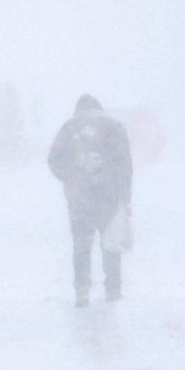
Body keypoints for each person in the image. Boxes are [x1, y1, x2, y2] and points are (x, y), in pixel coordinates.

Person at [46, 94, 133, 306]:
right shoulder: (113, 126)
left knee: (81, 244)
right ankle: (113, 289)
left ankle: (82, 291)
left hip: (79, 196)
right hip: (109, 194)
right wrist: (124, 195)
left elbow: (54, 159)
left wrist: (70, 177)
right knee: (110, 242)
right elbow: (125, 164)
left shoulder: (69, 127)